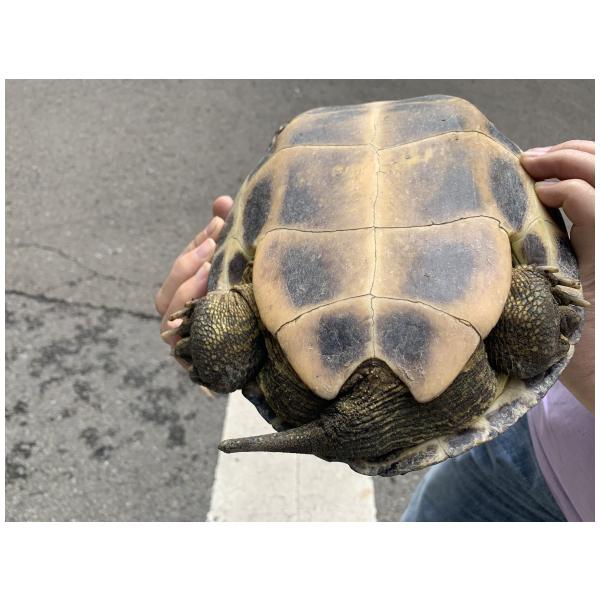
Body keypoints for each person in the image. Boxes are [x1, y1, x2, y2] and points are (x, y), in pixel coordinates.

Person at [155, 140, 595, 522]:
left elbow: (225, 349)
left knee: (221, 351)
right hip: (538, 441)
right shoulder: (514, 349)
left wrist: (209, 340)